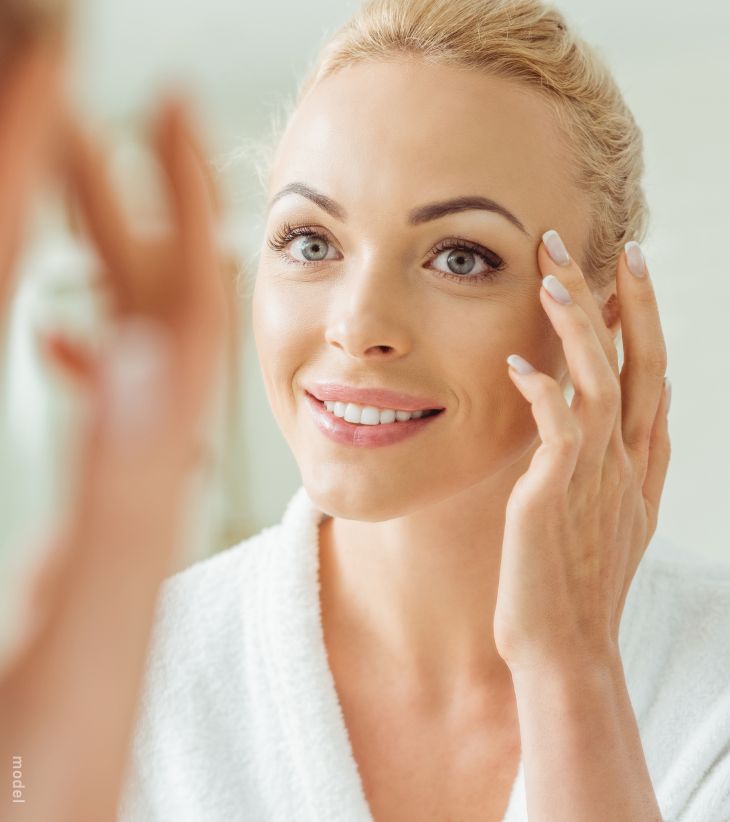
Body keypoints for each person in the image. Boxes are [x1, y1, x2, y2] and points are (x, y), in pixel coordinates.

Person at [3, 1, 729, 821]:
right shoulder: (127, 680)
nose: (357, 327)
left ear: (603, 318)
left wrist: (571, 674)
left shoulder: (712, 693)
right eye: (311, 243)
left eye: (461, 257)